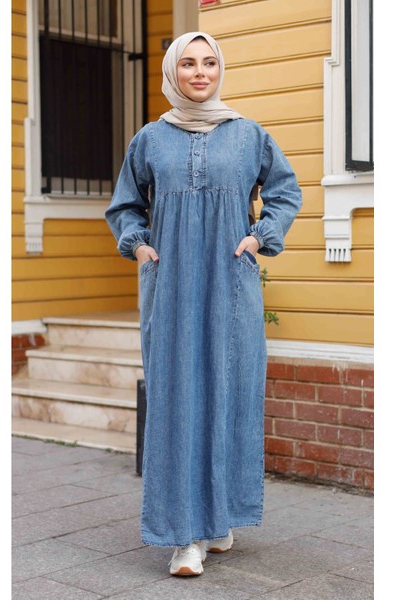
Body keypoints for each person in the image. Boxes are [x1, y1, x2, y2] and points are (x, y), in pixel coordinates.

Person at [105, 31, 302, 576]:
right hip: (170, 287)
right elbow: (125, 205)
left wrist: (259, 237)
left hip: (230, 285)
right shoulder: (150, 139)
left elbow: (285, 191)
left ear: (220, 70)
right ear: (173, 71)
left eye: (209, 62)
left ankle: (218, 519)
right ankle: (183, 536)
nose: (200, 72)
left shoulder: (248, 135)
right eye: (188, 63)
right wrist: (138, 245)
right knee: (176, 399)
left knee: (229, 392)